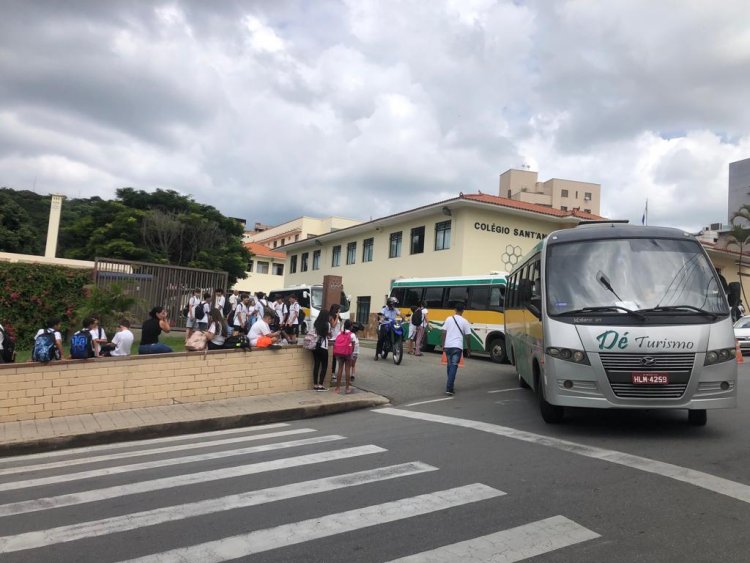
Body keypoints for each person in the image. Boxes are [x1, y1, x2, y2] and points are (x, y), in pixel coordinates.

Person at [441, 302, 471, 395]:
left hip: (448, 346)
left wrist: (442, 345)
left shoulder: (449, 319)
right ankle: (449, 388)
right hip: (457, 346)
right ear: (463, 311)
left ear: (455, 310)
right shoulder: (465, 321)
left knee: (449, 365)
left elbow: (443, 332)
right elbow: (468, 336)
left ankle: (451, 385)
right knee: (454, 365)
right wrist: (469, 348)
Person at [332, 319, 356, 394]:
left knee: (340, 369)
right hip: (347, 354)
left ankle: (337, 388)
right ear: (351, 326)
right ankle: (347, 388)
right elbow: (353, 346)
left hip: (339, 353)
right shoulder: (352, 335)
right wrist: (351, 353)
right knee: (347, 370)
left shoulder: (339, 333)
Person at [311, 310, 331, 391]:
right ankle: (320, 385)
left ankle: (315, 384)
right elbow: (328, 334)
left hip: (315, 346)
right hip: (323, 346)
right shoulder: (327, 324)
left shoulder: (316, 323)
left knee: (316, 365)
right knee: (324, 366)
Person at [328, 304, 341, 382]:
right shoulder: (331, 316)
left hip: (338, 337)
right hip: (333, 338)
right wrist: (337, 316)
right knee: (333, 356)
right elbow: (333, 325)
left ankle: (333, 372)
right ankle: (332, 373)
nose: (339, 310)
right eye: (339, 309)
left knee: (336, 356)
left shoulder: (337, 316)